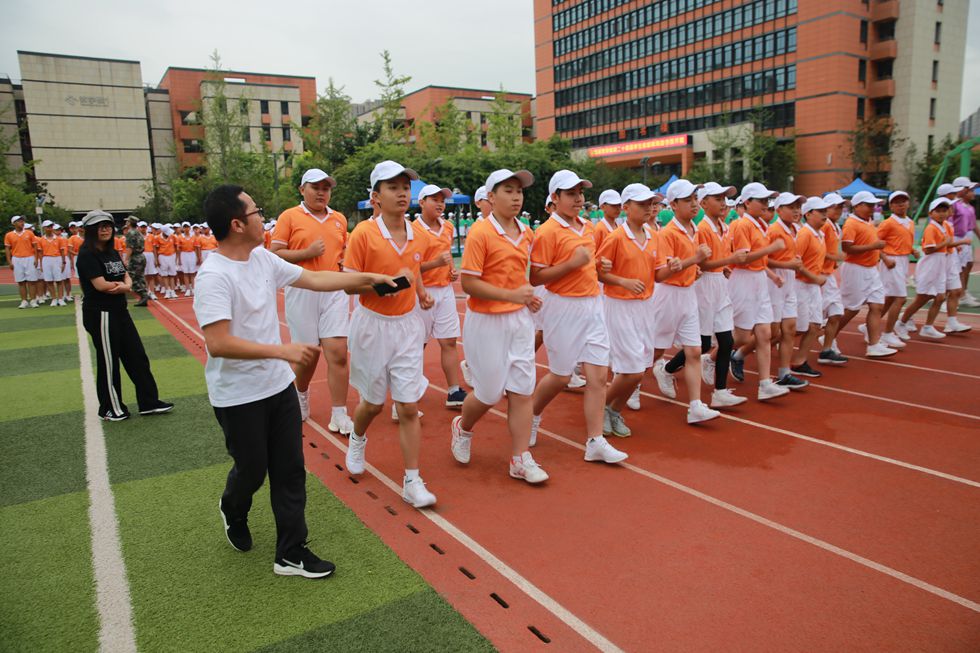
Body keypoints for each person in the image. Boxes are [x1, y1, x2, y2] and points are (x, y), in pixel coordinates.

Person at [195, 184, 395, 578]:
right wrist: (281, 351)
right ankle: (233, 506)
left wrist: (369, 278)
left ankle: (290, 551)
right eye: (256, 212)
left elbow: (315, 280)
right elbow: (218, 343)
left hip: (278, 386)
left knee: (290, 469)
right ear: (237, 224)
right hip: (237, 395)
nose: (263, 218)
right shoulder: (213, 276)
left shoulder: (262, 259)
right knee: (252, 471)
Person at [343, 160, 438, 509]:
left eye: (405, 187)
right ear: (376, 196)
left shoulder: (420, 235)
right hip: (372, 326)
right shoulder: (363, 234)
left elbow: (415, 269)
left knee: (408, 406)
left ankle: (412, 480)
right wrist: (387, 285)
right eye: (393, 187)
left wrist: (420, 291)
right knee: (372, 404)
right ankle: (357, 437)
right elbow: (349, 284)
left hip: (406, 326)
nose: (401, 193)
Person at [450, 168, 548, 483]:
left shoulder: (527, 233)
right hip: (486, 322)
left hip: (519, 320)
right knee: (489, 393)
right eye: (508, 190)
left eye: (519, 191)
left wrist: (526, 298)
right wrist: (512, 295)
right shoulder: (480, 232)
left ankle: (520, 458)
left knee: (522, 390)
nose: (516, 197)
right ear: (491, 197)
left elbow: (518, 276)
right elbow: (469, 283)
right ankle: (463, 427)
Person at [529, 169, 627, 464]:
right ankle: (531, 414)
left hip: (592, 305)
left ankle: (595, 441)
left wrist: (599, 266)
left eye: (580, 193)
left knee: (598, 376)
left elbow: (589, 265)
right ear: (555, 197)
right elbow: (536, 277)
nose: (578, 199)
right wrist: (572, 264)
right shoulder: (546, 232)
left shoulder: (587, 226)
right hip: (563, 307)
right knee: (560, 376)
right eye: (571, 194)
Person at [271, 169, 356, 435]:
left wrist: (345, 262)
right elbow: (274, 254)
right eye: (315, 187)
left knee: (338, 352)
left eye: (326, 188)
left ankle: (339, 413)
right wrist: (306, 253)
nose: (321, 192)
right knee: (308, 355)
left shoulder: (339, 219)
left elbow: (344, 250)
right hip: (302, 288)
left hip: (333, 290)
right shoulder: (289, 216)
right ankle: (301, 394)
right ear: (302, 189)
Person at [75, 209, 173, 421]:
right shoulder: (87, 254)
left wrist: (125, 286)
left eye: (107, 226)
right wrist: (124, 287)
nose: (105, 230)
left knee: (137, 356)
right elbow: (101, 285)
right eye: (99, 227)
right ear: (90, 230)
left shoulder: (111, 251)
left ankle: (148, 402)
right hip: (100, 313)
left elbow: (125, 276)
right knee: (109, 361)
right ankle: (110, 407)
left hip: (119, 310)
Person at [664, 181, 748, 408]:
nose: (723, 203)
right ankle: (667, 369)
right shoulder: (702, 228)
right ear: (705, 203)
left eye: (724, 199)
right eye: (718, 199)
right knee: (700, 344)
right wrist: (730, 260)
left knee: (727, 340)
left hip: (719, 284)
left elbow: (715, 260)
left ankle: (720, 391)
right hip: (703, 286)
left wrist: (725, 266)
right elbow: (704, 263)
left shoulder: (723, 227)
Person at [648, 179, 721, 423]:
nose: (694, 204)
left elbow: (686, 264)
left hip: (688, 294)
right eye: (688, 200)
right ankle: (630, 382)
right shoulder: (667, 234)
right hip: (668, 295)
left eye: (695, 199)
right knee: (655, 350)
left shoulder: (694, 229)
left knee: (694, 350)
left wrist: (693, 270)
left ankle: (695, 406)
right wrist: (694, 260)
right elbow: (664, 273)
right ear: (674, 204)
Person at [596, 183, 660, 434]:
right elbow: (598, 272)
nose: (648, 208)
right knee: (631, 370)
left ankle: (614, 411)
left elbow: (658, 273)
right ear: (626, 207)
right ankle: (599, 409)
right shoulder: (615, 237)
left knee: (641, 368)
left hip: (646, 306)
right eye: (641, 204)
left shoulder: (653, 236)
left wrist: (684, 266)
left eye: (650, 204)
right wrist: (623, 281)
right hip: (620, 305)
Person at [727, 183, 791, 401]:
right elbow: (742, 258)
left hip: (759, 281)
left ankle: (765, 384)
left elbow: (759, 261)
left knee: (765, 333)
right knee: (742, 336)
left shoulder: (762, 225)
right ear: (747, 203)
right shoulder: (741, 225)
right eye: (761, 200)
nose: (766, 204)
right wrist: (770, 249)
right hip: (743, 280)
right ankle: (712, 358)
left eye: (767, 200)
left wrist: (771, 276)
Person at [414, 184, 467, 409]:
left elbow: (446, 257)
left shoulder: (447, 226)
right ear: (421, 202)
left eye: (442, 200)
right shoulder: (412, 230)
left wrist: (450, 270)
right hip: (421, 292)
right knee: (418, 344)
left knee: (449, 341)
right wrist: (435, 264)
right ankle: (408, 390)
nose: (440, 204)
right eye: (434, 199)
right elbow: (411, 267)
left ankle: (453, 391)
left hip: (445, 291)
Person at [836, 190, 896, 357]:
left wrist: (882, 257)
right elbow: (847, 248)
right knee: (851, 309)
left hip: (871, 269)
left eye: (873, 205)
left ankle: (874, 345)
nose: (872, 208)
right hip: (855, 269)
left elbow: (873, 245)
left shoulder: (868, 222)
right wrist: (873, 247)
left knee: (877, 305)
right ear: (857, 206)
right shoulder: (851, 224)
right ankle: (828, 336)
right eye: (868, 205)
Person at [766, 193, 809, 389]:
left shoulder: (796, 230)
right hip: (774, 281)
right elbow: (763, 260)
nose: (796, 211)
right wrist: (787, 264)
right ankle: (738, 354)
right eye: (791, 207)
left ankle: (784, 373)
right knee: (772, 332)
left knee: (790, 329)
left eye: (798, 207)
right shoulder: (773, 230)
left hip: (789, 281)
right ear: (779, 209)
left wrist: (795, 264)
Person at [898, 198, 957, 339]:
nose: (942, 214)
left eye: (944, 211)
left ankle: (928, 327)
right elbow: (928, 250)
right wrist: (945, 243)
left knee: (940, 297)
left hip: (940, 264)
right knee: (922, 298)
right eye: (938, 211)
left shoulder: (943, 226)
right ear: (931, 213)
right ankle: (901, 322)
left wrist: (950, 245)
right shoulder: (931, 228)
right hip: (930, 265)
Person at [789, 197, 831, 377]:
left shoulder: (820, 234)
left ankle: (800, 361)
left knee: (814, 325)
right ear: (808, 214)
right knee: (797, 328)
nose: (825, 214)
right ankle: (747, 348)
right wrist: (815, 277)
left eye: (825, 211)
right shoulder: (805, 234)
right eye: (820, 211)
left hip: (812, 286)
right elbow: (795, 262)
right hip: (800, 285)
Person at [875, 191, 916, 345]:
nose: (901, 204)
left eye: (903, 201)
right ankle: (888, 333)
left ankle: (869, 325)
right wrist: (885, 259)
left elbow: (903, 241)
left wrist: (912, 250)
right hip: (891, 261)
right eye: (897, 202)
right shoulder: (888, 223)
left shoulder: (910, 222)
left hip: (903, 261)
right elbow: (874, 243)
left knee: (891, 297)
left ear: (908, 203)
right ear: (891, 206)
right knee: (900, 298)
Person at [816, 193, 848, 364]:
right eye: (835, 207)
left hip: (828, 275)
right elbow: (818, 250)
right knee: (810, 321)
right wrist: (835, 258)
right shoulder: (825, 226)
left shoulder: (835, 226)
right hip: (819, 276)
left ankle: (827, 349)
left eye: (841, 207)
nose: (839, 210)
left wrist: (834, 261)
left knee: (836, 312)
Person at [951, 176, 979, 307]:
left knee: (968, 265)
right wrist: (953, 242)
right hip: (957, 239)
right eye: (970, 189)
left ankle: (963, 292)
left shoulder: (970, 207)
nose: (972, 193)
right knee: (959, 268)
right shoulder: (954, 205)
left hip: (967, 240)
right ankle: (957, 295)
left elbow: (973, 226)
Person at [5, 215, 40, 308]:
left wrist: (36, 259)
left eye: (22, 221)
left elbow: (35, 247)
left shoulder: (29, 233)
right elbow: (7, 249)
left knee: (32, 281)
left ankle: (33, 300)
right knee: (21, 281)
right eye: (19, 221)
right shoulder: (9, 235)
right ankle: (24, 301)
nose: (22, 223)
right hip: (16, 259)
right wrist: (9, 261)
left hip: (29, 258)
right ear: (14, 223)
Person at [37, 220, 67, 306]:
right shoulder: (41, 240)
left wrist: (63, 262)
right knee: (49, 281)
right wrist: (41, 264)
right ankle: (54, 299)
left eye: (51, 226)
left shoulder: (59, 239)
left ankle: (60, 299)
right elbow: (40, 253)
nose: (50, 228)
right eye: (48, 227)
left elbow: (62, 251)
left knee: (59, 280)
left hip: (57, 259)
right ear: (44, 228)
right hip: (46, 259)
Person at [124, 216, 150, 307]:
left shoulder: (130, 233)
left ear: (129, 223)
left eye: (127, 221)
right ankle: (144, 295)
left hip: (135, 258)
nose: (126, 223)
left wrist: (126, 259)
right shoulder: (138, 232)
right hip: (141, 256)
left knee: (132, 277)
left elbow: (130, 247)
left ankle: (143, 295)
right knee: (140, 277)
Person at [154, 225, 178, 298]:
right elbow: (155, 249)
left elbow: (176, 247)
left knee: (172, 275)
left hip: (171, 256)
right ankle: (167, 291)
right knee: (165, 275)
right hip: (162, 256)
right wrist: (156, 259)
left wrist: (176, 257)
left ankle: (173, 291)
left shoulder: (173, 236)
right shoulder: (157, 238)